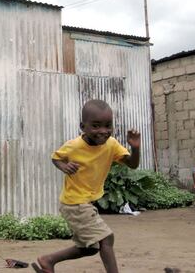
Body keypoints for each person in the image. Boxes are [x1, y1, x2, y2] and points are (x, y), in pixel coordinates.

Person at [32, 99, 140, 273]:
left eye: (107, 125)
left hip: (85, 203)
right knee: (106, 239)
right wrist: (64, 167)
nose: (103, 131)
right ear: (83, 126)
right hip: (74, 203)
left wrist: (135, 149)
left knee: (90, 247)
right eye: (96, 126)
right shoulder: (74, 146)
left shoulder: (111, 144)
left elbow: (132, 164)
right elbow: (56, 157)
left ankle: (48, 260)